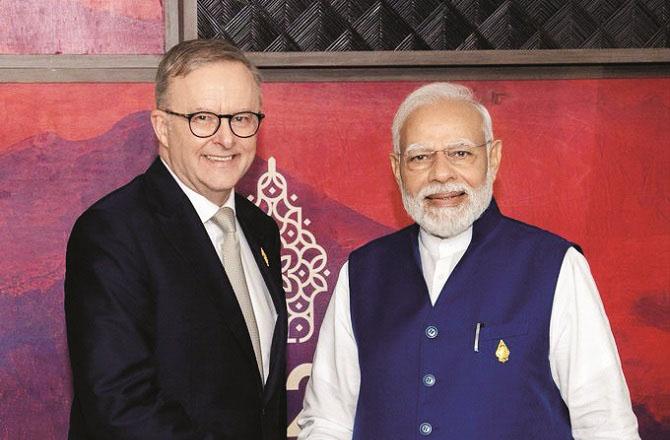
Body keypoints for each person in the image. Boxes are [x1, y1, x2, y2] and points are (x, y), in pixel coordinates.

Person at [298, 82, 639, 439]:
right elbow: (328, 421)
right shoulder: (362, 274)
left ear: (493, 158)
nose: (441, 174)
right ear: (397, 170)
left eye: (460, 153)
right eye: (420, 157)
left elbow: (604, 422)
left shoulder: (554, 266)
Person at [65, 39, 287, 439]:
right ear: (162, 127)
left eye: (242, 117)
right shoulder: (112, 233)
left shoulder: (261, 230)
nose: (226, 138)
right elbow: (120, 406)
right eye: (203, 118)